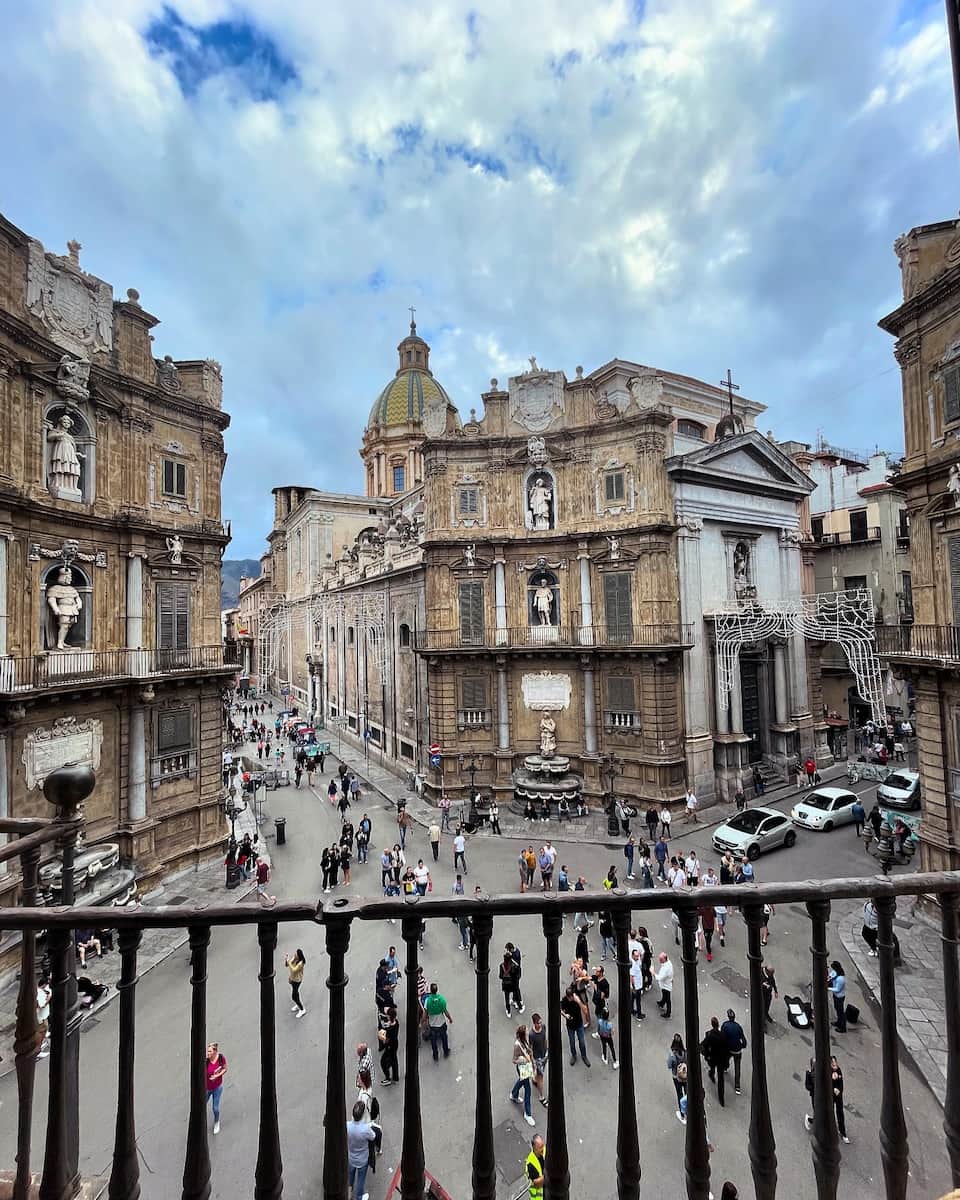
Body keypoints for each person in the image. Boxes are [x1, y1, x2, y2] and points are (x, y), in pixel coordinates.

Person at [346, 1098, 377, 1200]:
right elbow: (373, 1136)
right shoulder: (365, 1129)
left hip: (351, 1157)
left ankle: (348, 1193)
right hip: (362, 1159)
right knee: (360, 1180)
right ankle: (359, 1196)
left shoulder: (347, 1126)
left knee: (350, 1177)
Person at [509, 1024, 537, 1126]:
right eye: (526, 1031)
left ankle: (514, 1094)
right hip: (522, 1068)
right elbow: (514, 1060)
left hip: (527, 1067)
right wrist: (524, 1060)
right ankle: (527, 1114)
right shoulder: (517, 1045)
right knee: (528, 1090)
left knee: (521, 1081)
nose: (528, 1032)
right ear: (522, 1034)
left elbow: (529, 1052)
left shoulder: (525, 1040)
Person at [561, 984, 591, 1067]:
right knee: (572, 1041)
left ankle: (584, 1056)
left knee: (582, 1041)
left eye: (571, 997)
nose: (570, 999)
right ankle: (574, 1055)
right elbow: (560, 1009)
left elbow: (585, 1011)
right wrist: (565, 1015)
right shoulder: (564, 1000)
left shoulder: (577, 999)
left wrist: (578, 1002)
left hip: (579, 1024)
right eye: (569, 998)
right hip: (570, 1025)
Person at [721, 1009, 747, 1094]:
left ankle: (725, 1067)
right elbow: (743, 1039)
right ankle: (737, 1086)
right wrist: (742, 1046)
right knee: (737, 1067)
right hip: (737, 1050)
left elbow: (723, 1038)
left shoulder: (725, 1025)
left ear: (728, 1017)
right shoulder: (738, 1026)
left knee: (726, 1058)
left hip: (729, 1049)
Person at [424, 982, 452, 1061]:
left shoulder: (427, 1001)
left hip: (433, 1025)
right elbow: (445, 1011)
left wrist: (423, 1021)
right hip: (442, 1023)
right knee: (444, 1038)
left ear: (430, 991)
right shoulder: (441, 999)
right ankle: (446, 1052)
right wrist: (450, 1018)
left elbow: (425, 1014)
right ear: (437, 990)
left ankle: (435, 1055)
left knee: (433, 1041)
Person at [206, 1042, 227, 1135]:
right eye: (208, 1051)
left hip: (217, 1088)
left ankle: (216, 1122)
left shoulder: (221, 1058)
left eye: (210, 1051)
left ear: (215, 1052)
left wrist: (217, 1076)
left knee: (215, 1108)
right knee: (201, 1105)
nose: (208, 1053)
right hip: (207, 1088)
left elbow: (225, 1069)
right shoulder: (206, 1062)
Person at [529, 1012, 548, 1106]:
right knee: (541, 1077)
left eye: (541, 1022)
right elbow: (531, 1048)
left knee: (540, 1074)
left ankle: (534, 1079)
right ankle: (541, 1097)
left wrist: (547, 1049)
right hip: (538, 1058)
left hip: (544, 1055)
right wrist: (533, 1061)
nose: (540, 1024)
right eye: (538, 1023)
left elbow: (545, 1039)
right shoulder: (531, 1034)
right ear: (534, 1023)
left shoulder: (544, 1027)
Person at [378, 1005, 400, 1084]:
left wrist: (381, 1035)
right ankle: (395, 1076)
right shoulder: (396, 1022)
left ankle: (387, 1078)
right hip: (395, 1044)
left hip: (390, 1046)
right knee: (394, 1059)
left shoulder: (390, 1029)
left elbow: (386, 1039)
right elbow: (390, 1024)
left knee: (383, 1062)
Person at [499, 950, 524, 1018]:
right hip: (513, 984)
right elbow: (516, 975)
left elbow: (500, 976)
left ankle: (508, 1011)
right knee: (515, 994)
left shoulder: (501, 966)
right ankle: (520, 1007)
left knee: (506, 998)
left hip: (505, 984)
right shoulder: (513, 966)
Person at [667, 1034, 687, 1108]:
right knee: (687, 1092)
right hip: (685, 1075)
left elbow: (669, 1065)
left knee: (679, 1094)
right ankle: (689, 1107)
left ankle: (682, 1112)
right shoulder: (685, 1052)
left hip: (676, 1076)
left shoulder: (672, 1055)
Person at [285, 948, 306, 1018]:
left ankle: (302, 1009)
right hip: (293, 979)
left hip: (297, 981)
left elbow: (294, 970)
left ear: (299, 956)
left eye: (296, 954)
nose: (295, 954)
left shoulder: (301, 963)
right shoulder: (295, 958)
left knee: (294, 996)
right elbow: (287, 965)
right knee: (295, 994)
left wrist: (289, 962)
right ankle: (298, 1004)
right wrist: (286, 960)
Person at [596, 1003, 618, 1068]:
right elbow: (612, 1032)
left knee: (604, 1046)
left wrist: (599, 1033)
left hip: (602, 1036)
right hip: (608, 1037)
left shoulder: (599, 1021)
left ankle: (605, 1058)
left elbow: (598, 1029)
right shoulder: (609, 1024)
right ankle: (615, 1060)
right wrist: (612, 1032)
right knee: (612, 1048)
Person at [525, 1134, 546, 1200]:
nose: (542, 1148)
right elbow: (536, 1184)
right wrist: (548, 1174)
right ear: (534, 1148)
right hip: (538, 1197)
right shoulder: (531, 1164)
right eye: (540, 1147)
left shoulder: (544, 1150)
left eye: (542, 1145)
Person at [828, 961, 846, 1032]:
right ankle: (838, 1022)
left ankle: (842, 1027)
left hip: (839, 997)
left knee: (840, 1011)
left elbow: (837, 989)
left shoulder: (840, 979)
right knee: (837, 1009)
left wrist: (828, 988)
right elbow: (831, 975)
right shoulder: (835, 972)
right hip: (836, 996)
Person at [655, 952, 673, 1018]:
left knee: (668, 999)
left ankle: (668, 1013)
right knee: (665, 995)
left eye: (661, 959)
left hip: (666, 985)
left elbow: (659, 977)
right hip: (666, 983)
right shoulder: (668, 963)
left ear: (664, 959)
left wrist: (653, 972)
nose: (659, 961)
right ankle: (662, 1003)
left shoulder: (666, 968)